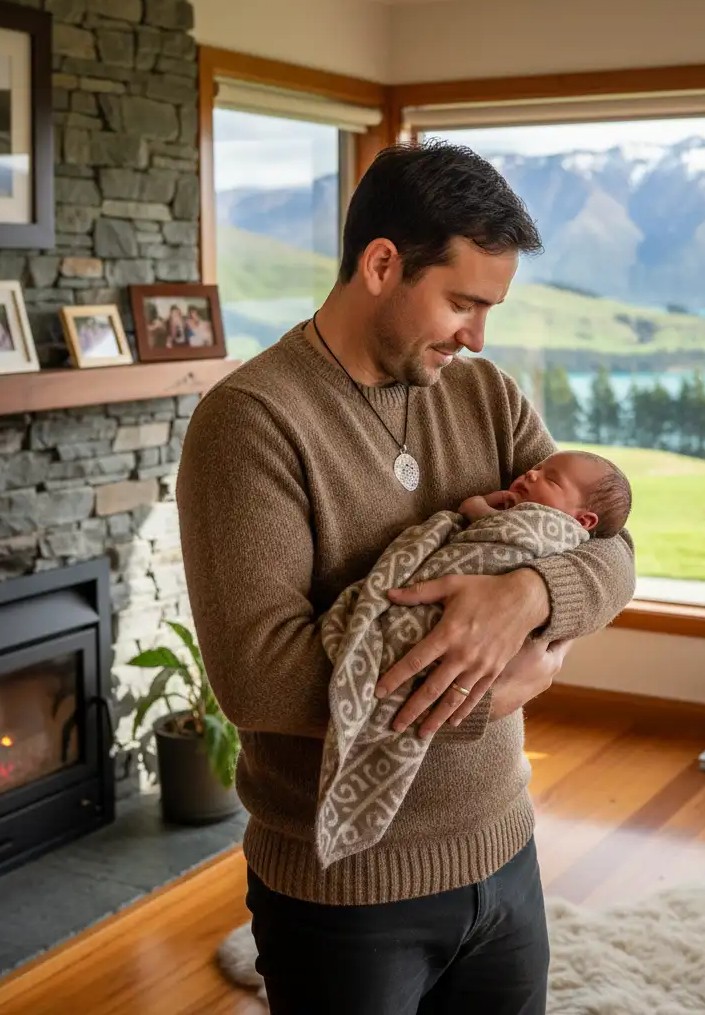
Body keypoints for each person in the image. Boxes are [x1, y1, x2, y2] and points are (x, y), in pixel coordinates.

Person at [176, 141, 636, 1015]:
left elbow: (611, 546)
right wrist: (495, 691)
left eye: (489, 308)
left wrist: (530, 596)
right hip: (344, 890)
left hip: (504, 847)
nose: (477, 336)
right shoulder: (249, 424)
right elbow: (259, 678)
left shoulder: (485, 396)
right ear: (381, 264)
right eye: (462, 302)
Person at [459, 449, 631, 536]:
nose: (531, 473)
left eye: (552, 479)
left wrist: (477, 507)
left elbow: (501, 530)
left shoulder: (554, 535)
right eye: (536, 468)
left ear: (582, 520)